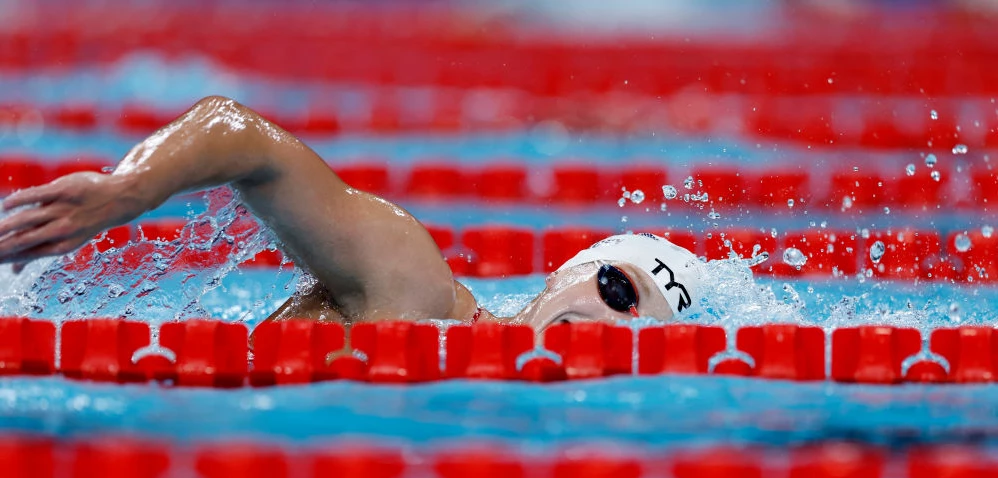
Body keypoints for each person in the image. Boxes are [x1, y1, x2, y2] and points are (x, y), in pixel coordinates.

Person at [0, 96, 706, 331]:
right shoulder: (413, 288)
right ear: (563, 276)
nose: (620, 324)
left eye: (647, 333)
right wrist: (129, 190)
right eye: (619, 289)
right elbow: (241, 133)